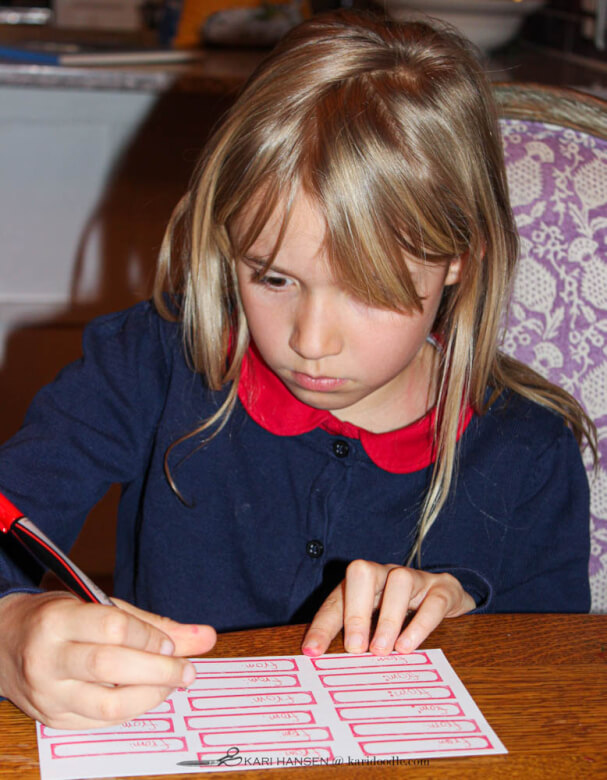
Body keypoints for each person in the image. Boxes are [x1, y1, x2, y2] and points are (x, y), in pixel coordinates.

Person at [0, 10, 596, 730]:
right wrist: (9, 629)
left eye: (371, 290)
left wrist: (472, 613)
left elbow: (556, 687)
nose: (311, 342)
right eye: (272, 278)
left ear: (457, 261)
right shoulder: (153, 362)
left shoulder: (528, 455)